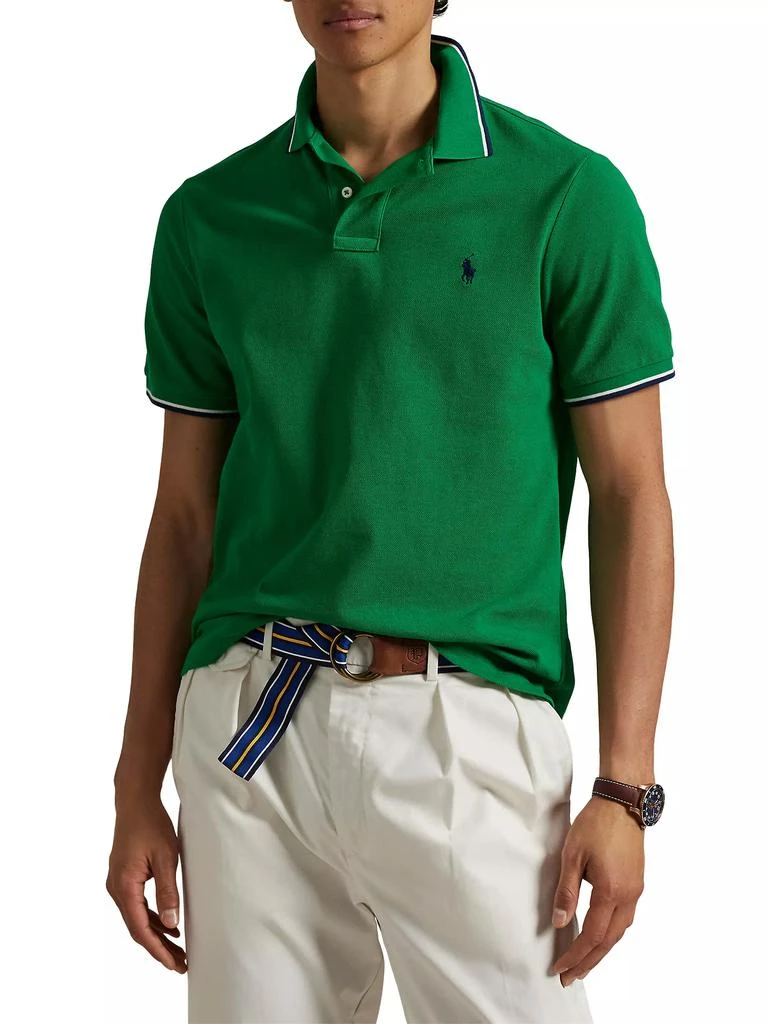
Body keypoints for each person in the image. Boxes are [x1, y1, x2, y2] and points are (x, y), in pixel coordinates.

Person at [107, 1, 675, 1021]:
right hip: (250, 732)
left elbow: (632, 493)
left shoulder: (566, 196)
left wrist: (625, 786)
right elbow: (184, 518)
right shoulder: (209, 216)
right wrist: (135, 783)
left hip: (469, 733)